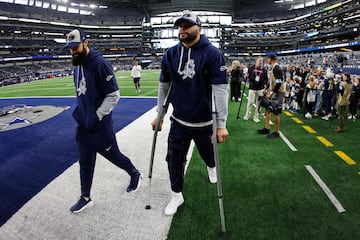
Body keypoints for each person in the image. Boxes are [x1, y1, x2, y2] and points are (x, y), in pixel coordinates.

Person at [151, 10, 229, 216]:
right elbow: (164, 86)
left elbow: (220, 91)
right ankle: (176, 194)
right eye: (180, 26)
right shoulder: (170, 54)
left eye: (187, 25)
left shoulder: (212, 53)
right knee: (173, 160)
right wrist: (160, 114)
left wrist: (221, 124)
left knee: (208, 155)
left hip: (204, 123)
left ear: (199, 28)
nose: (182, 29)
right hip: (179, 120)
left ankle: (211, 166)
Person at [65, 29, 142, 213]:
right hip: (83, 126)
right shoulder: (76, 65)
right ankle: (85, 197)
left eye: (76, 47)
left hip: (100, 127)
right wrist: (84, 117)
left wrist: (97, 115)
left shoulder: (100, 64)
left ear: (86, 42)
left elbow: (114, 95)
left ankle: (134, 173)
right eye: (70, 48)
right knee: (84, 161)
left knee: (115, 156)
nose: (73, 51)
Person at [257, 54, 285, 138]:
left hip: (278, 92)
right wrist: (268, 87)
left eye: (268, 59)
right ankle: (267, 128)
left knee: (275, 111)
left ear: (271, 59)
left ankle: (276, 132)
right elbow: (274, 81)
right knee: (268, 109)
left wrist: (271, 92)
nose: (266, 60)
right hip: (275, 91)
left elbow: (279, 83)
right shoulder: (274, 68)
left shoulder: (277, 68)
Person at [244, 56, 268, 122]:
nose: (261, 62)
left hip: (260, 89)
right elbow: (248, 76)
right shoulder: (251, 68)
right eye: (259, 60)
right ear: (256, 61)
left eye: (262, 61)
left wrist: (266, 87)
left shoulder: (264, 70)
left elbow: (266, 79)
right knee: (250, 102)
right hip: (252, 88)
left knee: (258, 104)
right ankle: (247, 115)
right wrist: (247, 76)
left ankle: (256, 117)